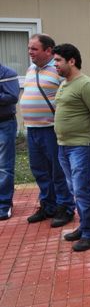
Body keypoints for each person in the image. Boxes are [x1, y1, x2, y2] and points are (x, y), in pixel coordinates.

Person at [53, 44, 90, 251]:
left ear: (72, 61)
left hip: (81, 146)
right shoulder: (64, 84)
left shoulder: (86, 84)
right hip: (64, 146)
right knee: (74, 189)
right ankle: (85, 225)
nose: (55, 64)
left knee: (82, 189)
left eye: (58, 60)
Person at [20, 34, 75, 227]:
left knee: (57, 171)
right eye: (29, 48)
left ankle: (65, 207)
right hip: (32, 129)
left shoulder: (58, 69)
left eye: (34, 49)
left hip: (51, 129)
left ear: (49, 50)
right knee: (39, 170)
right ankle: (48, 205)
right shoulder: (31, 69)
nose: (30, 52)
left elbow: (69, 99)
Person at [0, 61, 20, 220]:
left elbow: (12, 96)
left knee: (4, 166)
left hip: (4, 124)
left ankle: (3, 205)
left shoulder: (7, 73)